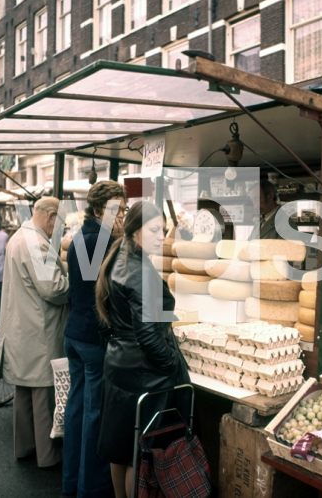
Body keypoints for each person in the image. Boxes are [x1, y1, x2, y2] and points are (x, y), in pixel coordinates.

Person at [95, 201, 190, 498]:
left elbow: (110, 320)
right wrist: (173, 363)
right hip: (142, 372)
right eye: (153, 230)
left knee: (120, 447)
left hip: (119, 362)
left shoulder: (117, 256)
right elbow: (148, 337)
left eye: (162, 230)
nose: (161, 236)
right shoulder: (139, 271)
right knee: (140, 453)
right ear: (135, 231)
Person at [62, 181, 126, 498]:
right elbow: (110, 293)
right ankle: (91, 490)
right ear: (100, 209)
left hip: (74, 335)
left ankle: (71, 482)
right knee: (94, 414)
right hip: (93, 339)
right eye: (117, 209)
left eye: (125, 209)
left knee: (75, 411)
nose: (122, 216)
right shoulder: (103, 240)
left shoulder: (80, 237)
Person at [0, 197, 70, 468]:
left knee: (24, 394)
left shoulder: (19, 237)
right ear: (50, 216)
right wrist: (70, 282)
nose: (58, 228)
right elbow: (53, 289)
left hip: (21, 327)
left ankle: (25, 448)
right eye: (59, 221)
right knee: (43, 395)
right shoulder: (37, 243)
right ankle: (47, 456)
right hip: (38, 331)